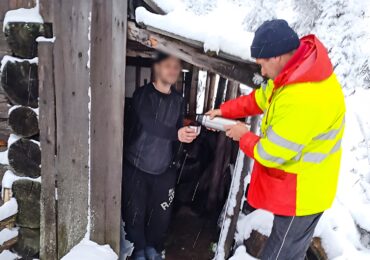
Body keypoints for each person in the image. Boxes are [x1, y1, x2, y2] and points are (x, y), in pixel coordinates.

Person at [207, 19, 345, 260]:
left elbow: (272, 153)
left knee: (280, 255)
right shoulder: (295, 74)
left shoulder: (302, 97)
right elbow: (260, 99)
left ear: (277, 57)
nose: (261, 72)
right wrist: (224, 110)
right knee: (289, 252)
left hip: (304, 194)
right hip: (300, 185)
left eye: (261, 64)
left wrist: (244, 136)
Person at [122, 53, 199, 260]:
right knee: (135, 212)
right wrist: (176, 133)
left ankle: (153, 248)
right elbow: (149, 123)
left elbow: (176, 130)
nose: (173, 70)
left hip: (164, 168)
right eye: (168, 66)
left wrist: (186, 135)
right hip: (136, 165)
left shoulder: (178, 100)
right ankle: (138, 249)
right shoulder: (142, 95)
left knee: (161, 214)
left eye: (176, 67)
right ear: (156, 68)